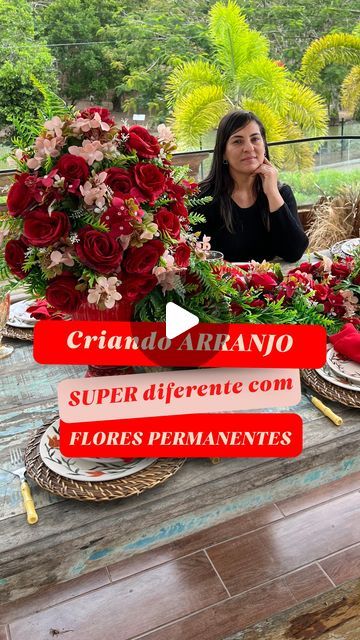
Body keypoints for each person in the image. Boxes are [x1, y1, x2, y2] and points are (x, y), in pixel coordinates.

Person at [194, 110, 309, 262]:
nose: (249, 148)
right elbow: (197, 263)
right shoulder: (203, 199)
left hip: (272, 282)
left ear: (265, 147)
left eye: (255, 139)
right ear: (223, 153)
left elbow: (294, 252)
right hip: (223, 284)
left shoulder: (280, 192)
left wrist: (272, 192)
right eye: (238, 141)